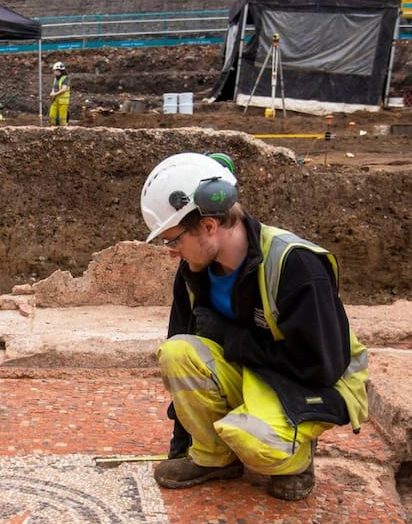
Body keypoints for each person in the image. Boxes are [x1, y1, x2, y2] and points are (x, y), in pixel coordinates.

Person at [140, 152, 369, 500]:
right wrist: (183, 443)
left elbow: (321, 367)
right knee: (177, 352)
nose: (172, 252)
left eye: (173, 240)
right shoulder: (194, 271)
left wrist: (232, 339)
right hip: (255, 371)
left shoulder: (296, 266)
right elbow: (181, 349)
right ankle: (216, 459)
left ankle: (295, 458)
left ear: (208, 226)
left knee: (254, 441)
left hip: (314, 381)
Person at [48, 61, 70, 126]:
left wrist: (55, 94)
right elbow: (54, 88)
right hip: (55, 100)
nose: (54, 72)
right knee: (52, 116)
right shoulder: (55, 79)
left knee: (62, 118)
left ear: (59, 70)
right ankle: (53, 128)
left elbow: (64, 89)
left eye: (54, 70)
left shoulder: (65, 78)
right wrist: (52, 93)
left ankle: (63, 129)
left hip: (63, 102)